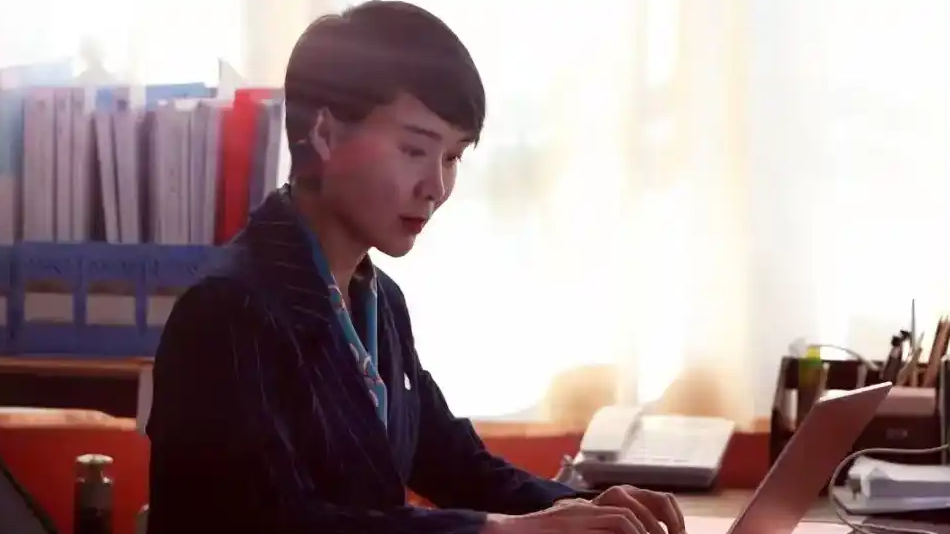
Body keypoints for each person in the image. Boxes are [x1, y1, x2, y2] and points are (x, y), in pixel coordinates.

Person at [145, 2, 688, 533]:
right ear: (326, 135)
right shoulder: (228, 310)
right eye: (413, 150)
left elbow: (454, 461)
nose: (437, 186)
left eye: (452, 157)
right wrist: (503, 531)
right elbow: (280, 522)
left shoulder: (377, 298)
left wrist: (588, 509)